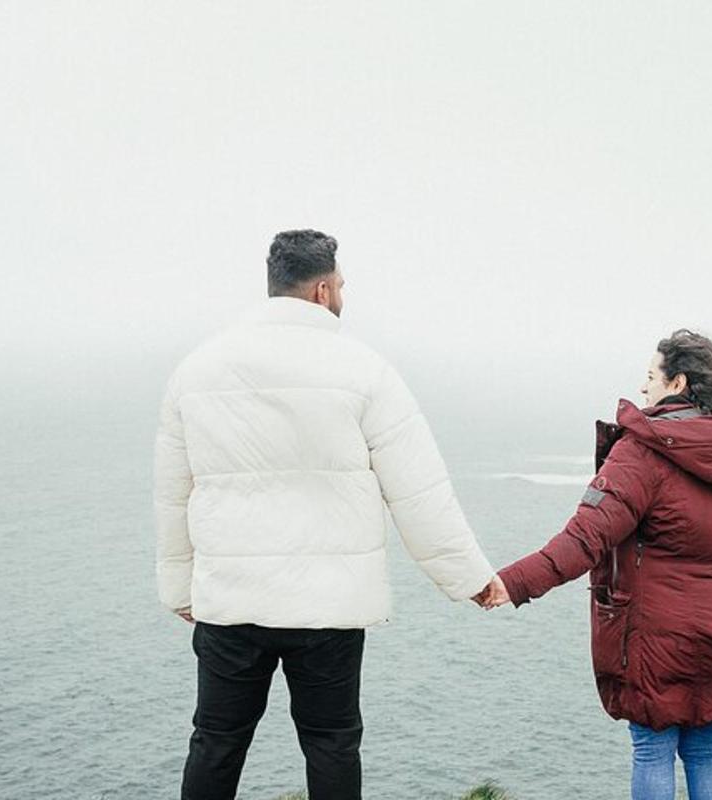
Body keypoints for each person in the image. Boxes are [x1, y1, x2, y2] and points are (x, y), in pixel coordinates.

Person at [154, 229, 502, 800]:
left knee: (215, 743)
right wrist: (469, 579)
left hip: (231, 601)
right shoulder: (366, 370)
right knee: (332, 744)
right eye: (340, 285)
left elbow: (173, 492)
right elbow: (419, 492)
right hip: (328, 608)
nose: (342, 295)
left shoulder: (197, 369)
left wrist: (178, 589)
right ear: (321, 289)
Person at [480, 329, 712, 800]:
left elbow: (585, 537)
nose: (644, 387)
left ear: (678, 383)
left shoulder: (644, 450)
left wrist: (512, 583)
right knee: (705, 746)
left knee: (652, 746)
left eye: (652, 376)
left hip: (657, 633)